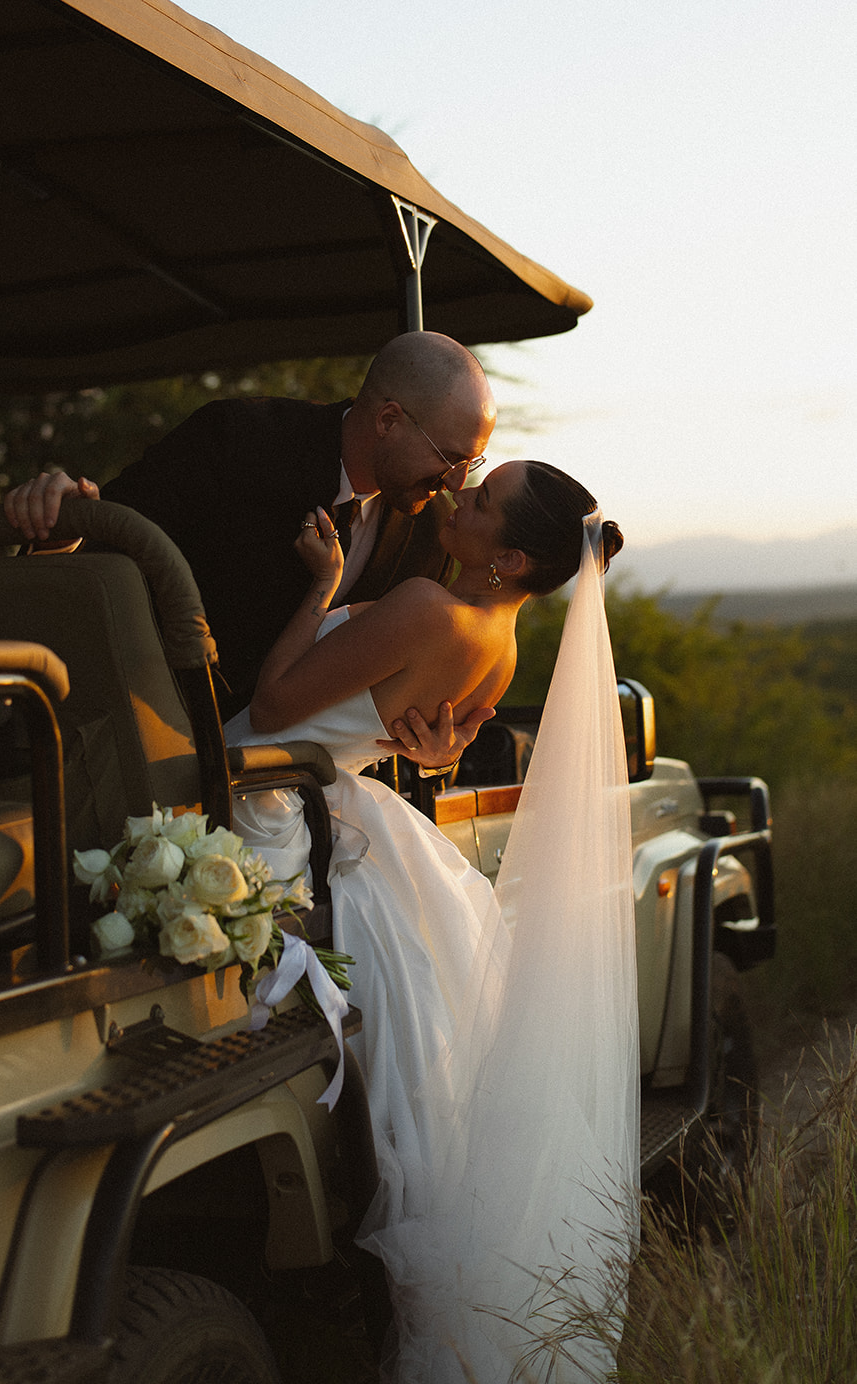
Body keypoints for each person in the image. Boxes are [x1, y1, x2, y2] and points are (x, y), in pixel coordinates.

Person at [225, 460, 639, 1383]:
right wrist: (426, 752)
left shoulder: (422, 602)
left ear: (510, 559)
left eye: (482, 503)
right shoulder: (502, 639)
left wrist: (324, 588)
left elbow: (276, 708)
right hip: (344, 809)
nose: (460, 498)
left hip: (269, 806)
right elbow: (411, 735)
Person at [3, 330, 497, 765]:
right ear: (388, 420)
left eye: (471, 463)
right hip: (145, 753)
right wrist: (62, 519)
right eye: (448, 457)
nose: (456, 483)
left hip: (309, 790)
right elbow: (106, 546)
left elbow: (400, 698)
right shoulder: (236, 440)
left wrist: (435, 753)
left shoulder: (432, 532)